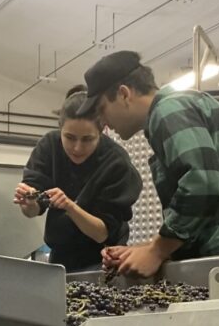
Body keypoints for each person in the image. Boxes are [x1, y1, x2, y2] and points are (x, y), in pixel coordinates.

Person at [75, 50, 219, 278]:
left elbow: (203, 183)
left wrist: (158, 250)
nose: (103, 124)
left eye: (101, 110)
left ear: (124, 94)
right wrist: (144, 249)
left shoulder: (168, 110)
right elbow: (206, 206)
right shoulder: (181, 107)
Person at [14, 86, 142, 271]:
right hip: (61, 256)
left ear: (102, 131)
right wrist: (28, 202)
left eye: (87, 139)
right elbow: (31, 211)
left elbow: (101, 234)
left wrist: (69, 206)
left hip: (105, 259)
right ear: (60, 129)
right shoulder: (49, 146)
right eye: (70, 137)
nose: (77, 148)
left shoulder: (116, 163)